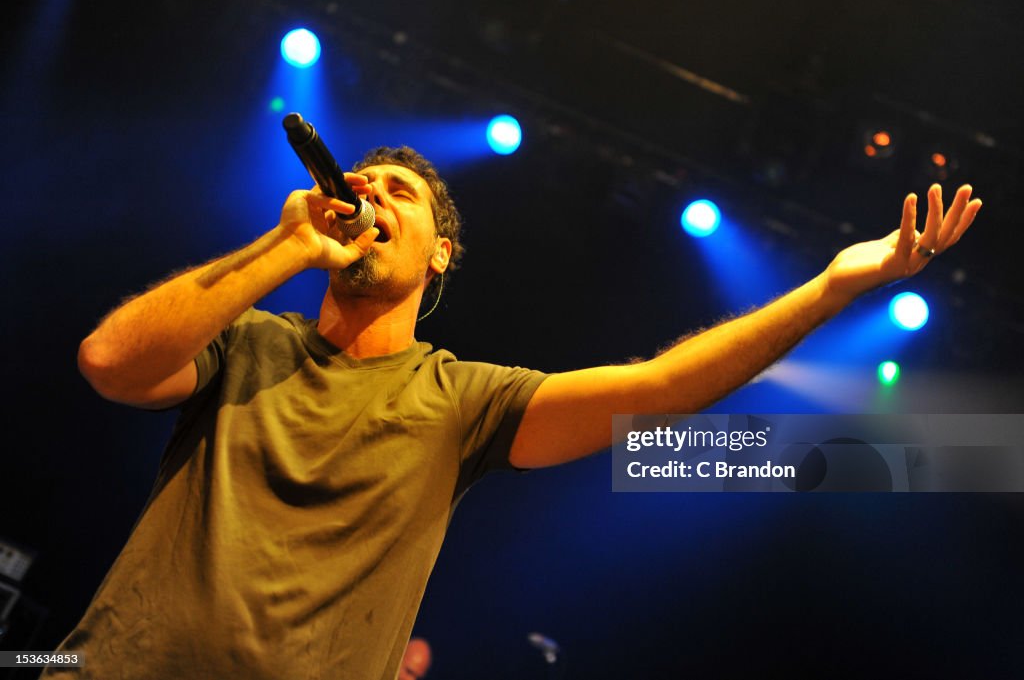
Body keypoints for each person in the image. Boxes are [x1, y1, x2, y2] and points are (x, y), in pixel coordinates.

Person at [47, 145, 981, 679]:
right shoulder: (245, 339)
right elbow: (109, 362)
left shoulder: (463, 398)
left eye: (397, 193)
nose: (366, 195)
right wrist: (285, 244)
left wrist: (827, 287)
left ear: (441, 253)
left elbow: (660, 390)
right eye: (360, 184)